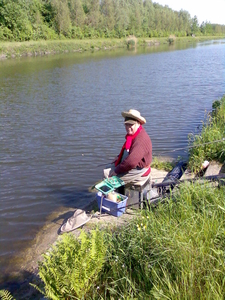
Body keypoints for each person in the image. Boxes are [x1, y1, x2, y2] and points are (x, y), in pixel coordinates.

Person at [104, 109, 152, 184]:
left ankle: (114, 195)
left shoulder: (140, 140)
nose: (128, 127)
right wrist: (119, 157)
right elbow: (128, 150)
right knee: (108, 167)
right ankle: (118, 190)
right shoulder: (134, 135)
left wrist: (117, 171)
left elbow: (131, 162)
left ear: (138, 123)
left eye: (131, 125)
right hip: (134, 166)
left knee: (107, 174)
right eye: (126, 124)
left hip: (139, 170)